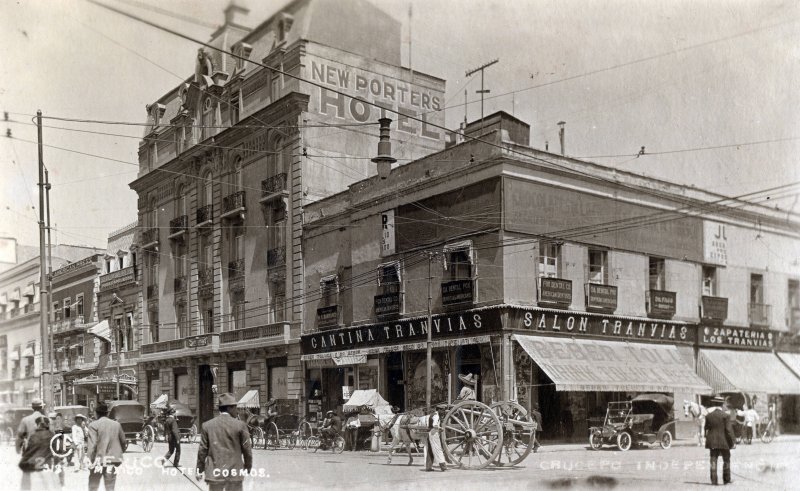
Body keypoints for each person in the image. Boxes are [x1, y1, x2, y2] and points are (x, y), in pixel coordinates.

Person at [196, 393, 253, 491]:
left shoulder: (207, 425)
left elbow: (202, 451)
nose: (237, 411)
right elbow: (247, 450)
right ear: (230, 408)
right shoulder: (241, 425)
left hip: (215, 474)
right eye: (236, 407)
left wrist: (199, 470)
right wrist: (248, 466)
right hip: (234, 474)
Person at [86, 401, 127, 491]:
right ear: (107, 413)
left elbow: (92, 446)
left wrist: (89, 460)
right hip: (112, 461)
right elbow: (123, 442)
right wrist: (119, 452)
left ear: (96, 413)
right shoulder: (117, 425)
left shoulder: (93, 425)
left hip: (98, 461)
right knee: (110, 488)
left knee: (93, 487)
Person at [19, 416, 58, 491]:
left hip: (36, 469)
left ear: (37, 425)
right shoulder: (52, 435)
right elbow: (57, 452)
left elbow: (27, 454)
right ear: (48, 425)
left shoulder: (33, 436)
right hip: (49, 467)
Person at [704, 396, 736, 486]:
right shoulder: (725, 416)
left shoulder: (708, 416)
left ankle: (714, 481)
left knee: (713, 460)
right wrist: (733, 441)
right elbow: (729, 430)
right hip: (724, 441)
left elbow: (706, 429)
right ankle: (726, 479)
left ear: (714, 404)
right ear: (722, 404)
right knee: (726, 459)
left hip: (712, 442)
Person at [425, 404, 448, 472]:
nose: (443, 411)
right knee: (438, 449)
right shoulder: (436, 416)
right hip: (434, 433)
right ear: (439, 410)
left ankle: (428, 467)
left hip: (431, 433)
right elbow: (434, 425)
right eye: (442, 410)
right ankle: (443, 466)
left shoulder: (433, 414)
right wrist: (440, 428)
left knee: (430, 450)